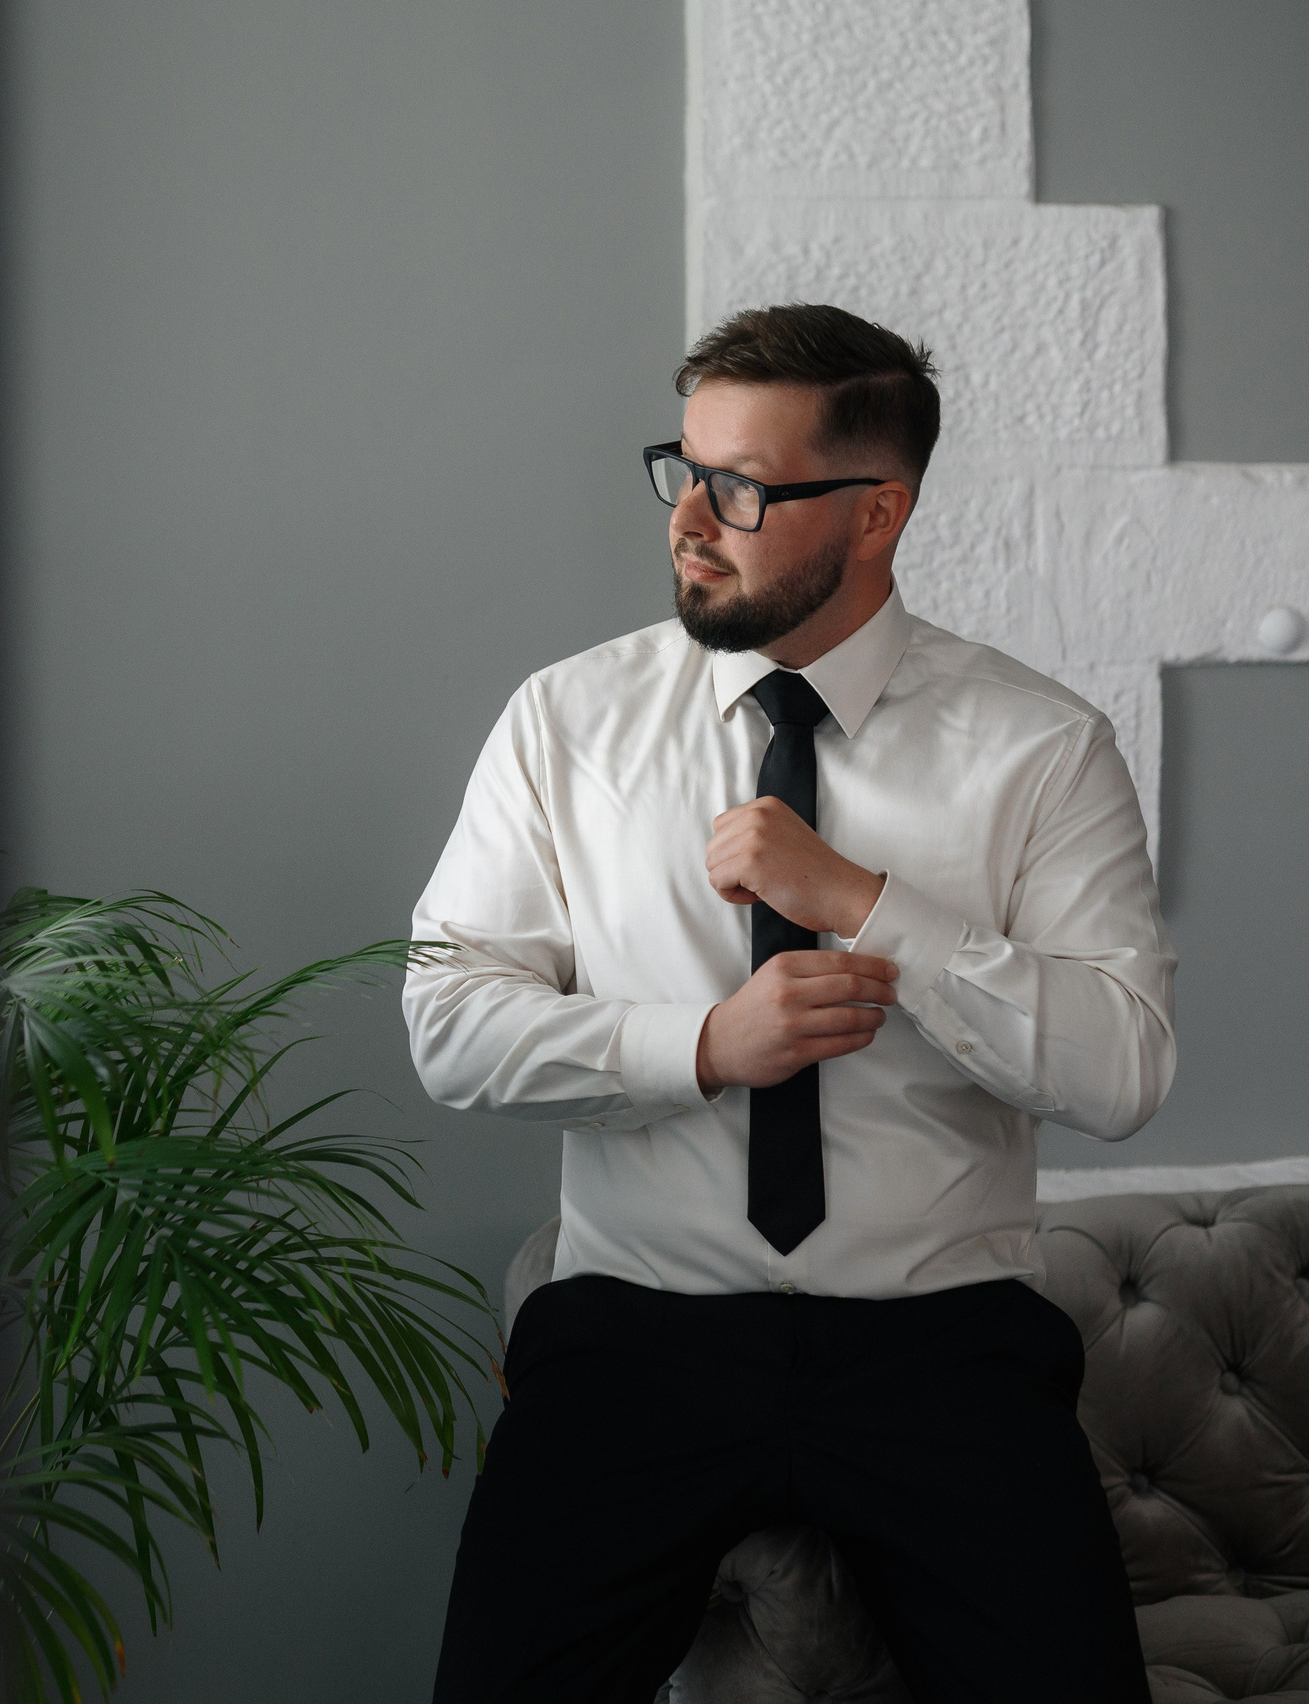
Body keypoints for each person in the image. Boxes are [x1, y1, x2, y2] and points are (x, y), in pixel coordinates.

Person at [403, 303, 1173, 1704]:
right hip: (638, 1332)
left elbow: (1123, 1074)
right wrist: (699, 1047)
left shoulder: (1044, 751)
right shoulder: (565, 724)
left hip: (939, 1345)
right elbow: (449, 1021)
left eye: (743, 487)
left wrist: (875, 909)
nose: (691, 519)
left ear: (877, 513)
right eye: (680, 468)